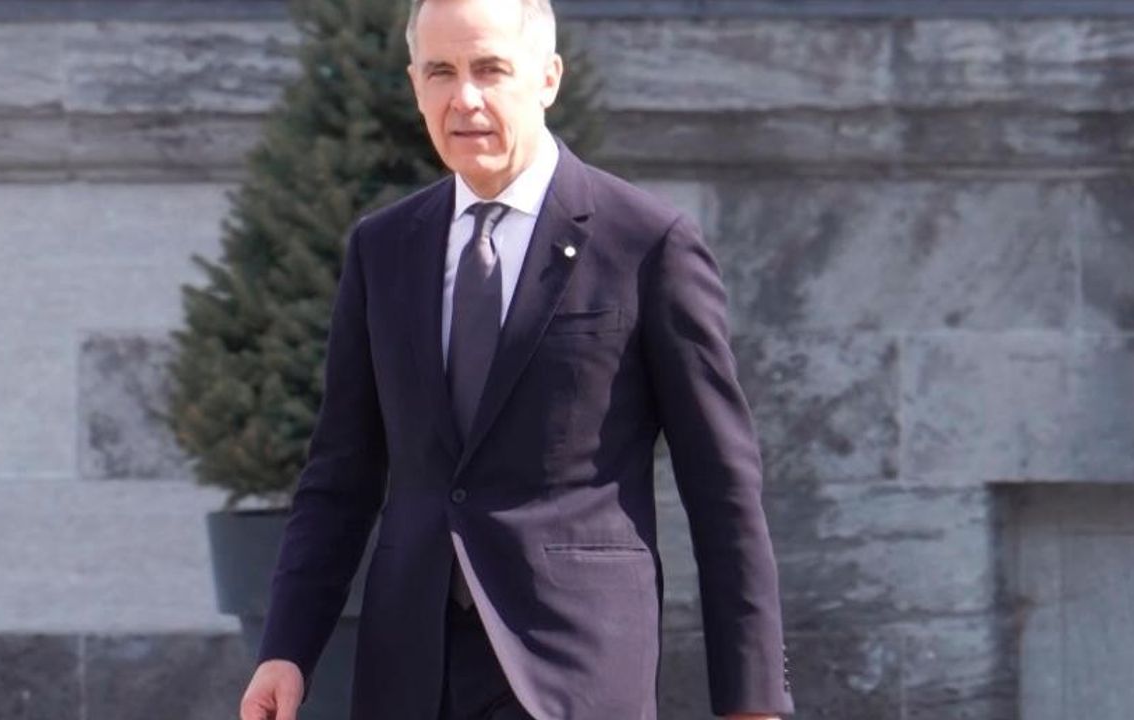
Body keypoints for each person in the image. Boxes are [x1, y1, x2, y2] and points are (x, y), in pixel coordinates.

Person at [240, 0, 793, 717]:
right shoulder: (384, 249)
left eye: (490, 69)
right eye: (440, 72)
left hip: (573, 670)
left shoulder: (647, 245)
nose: (464, 98)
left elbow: (722, 487)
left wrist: (752, 699)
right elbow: (339, 476)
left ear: (547, 78)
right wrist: (285, 649)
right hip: (411, 669)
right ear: (415, 85)